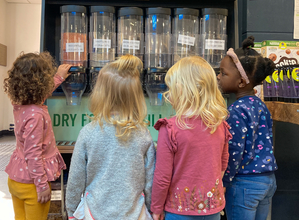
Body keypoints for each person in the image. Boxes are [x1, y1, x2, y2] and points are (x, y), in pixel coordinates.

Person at [65, 54, 156, 220]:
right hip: (135, 214)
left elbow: (75, 180)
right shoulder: (143, 134)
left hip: (94, 213)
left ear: (100, 93)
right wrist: (151, 209)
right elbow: (150, 183)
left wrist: (71, 212)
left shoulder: (88, 132)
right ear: (135, 97)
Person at [151, 56, 231, 220]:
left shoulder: (170, 128)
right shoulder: (220, 126)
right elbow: (223, 164)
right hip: (212, 209)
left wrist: (157, 208)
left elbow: (162, 177)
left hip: (178, 210)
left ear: (180, 89)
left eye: (170, 88)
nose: (168, 93)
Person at [4, 52, 71, 220]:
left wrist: (59, 77)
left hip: (16, 179)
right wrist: (41, 186)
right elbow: (33, 154)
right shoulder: (36, 115)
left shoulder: (20, 105)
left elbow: (40, 94)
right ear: (42, 83)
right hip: (32, 186)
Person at [218, 36, 278, 220]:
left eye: (223, 73)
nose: (218, 77)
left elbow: (234, 151)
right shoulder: (260, 105)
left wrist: (225, 181)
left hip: (244, 184)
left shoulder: (235, 111)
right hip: (267, 181)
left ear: (241, 82)